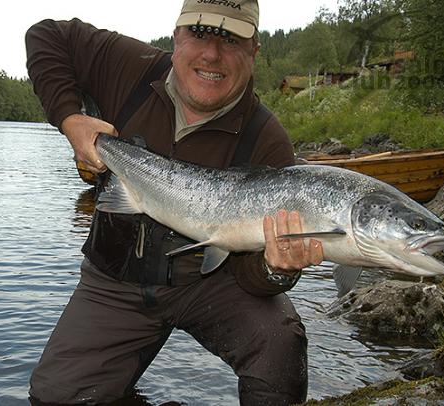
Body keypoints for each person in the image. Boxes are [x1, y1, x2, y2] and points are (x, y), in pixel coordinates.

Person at [25, 1, 324, 404]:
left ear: (254, 51)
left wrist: (276, 269)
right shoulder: (129, 65)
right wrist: (69, 118)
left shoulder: (267, 140)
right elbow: (46, 35)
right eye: (200, 34)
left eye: (231, 40)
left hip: (210, 284)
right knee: (55, 398)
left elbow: (253, 278)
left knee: (279, 343)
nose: (212, 54)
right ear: (176, 35)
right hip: (115, 278)